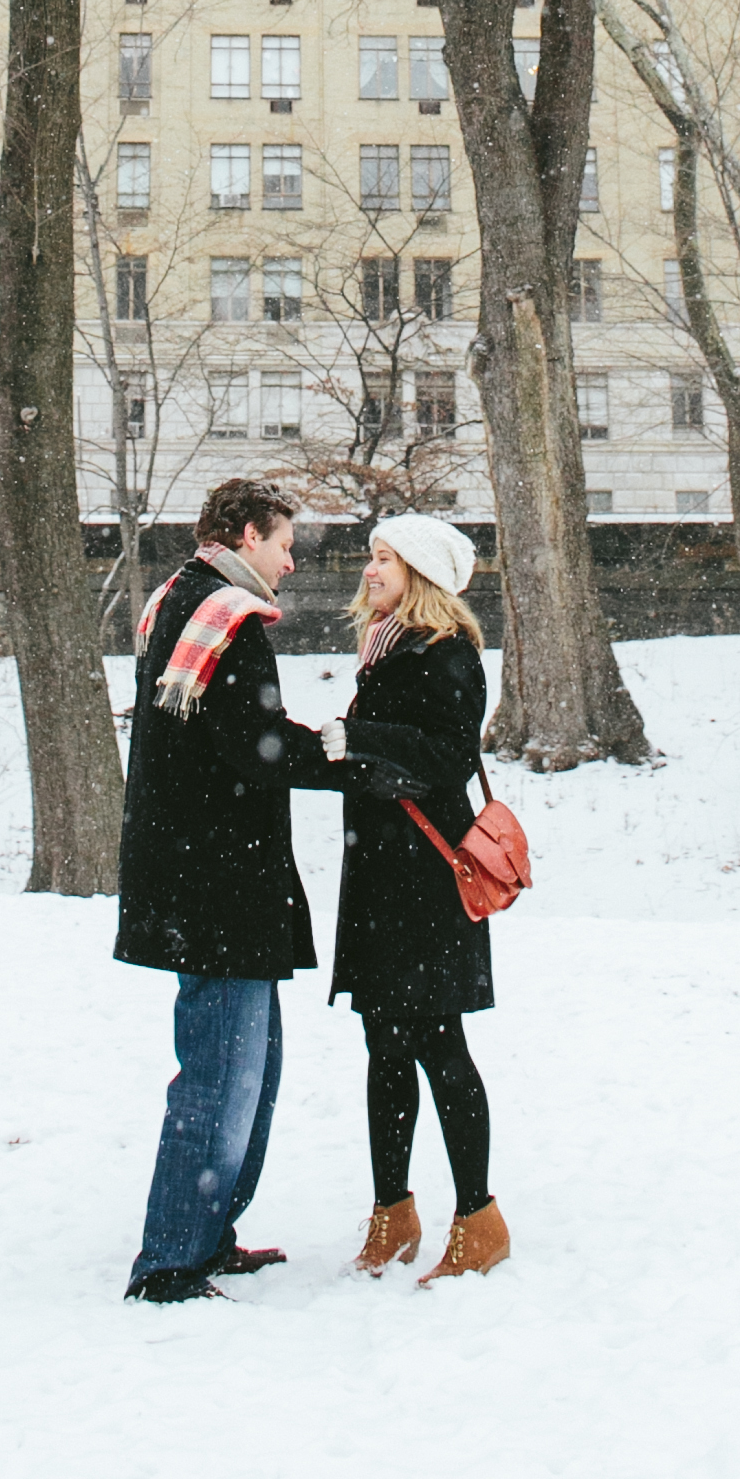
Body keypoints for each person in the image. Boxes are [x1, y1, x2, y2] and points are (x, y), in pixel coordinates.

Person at [114, 478, 370, 1303]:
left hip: (200, 876)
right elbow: (251, 743)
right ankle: (170, 1263)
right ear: (248, 534)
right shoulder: (224, 615)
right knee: (223, 1079)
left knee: (242, 1071)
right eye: (284, 543)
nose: (292, 562)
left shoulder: (179, 600)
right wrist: (347, 758)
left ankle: (206, 1233)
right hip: (218, 885)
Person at [327, 513, 510, 1284]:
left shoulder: (446, 653)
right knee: (383, 1046)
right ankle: (391, 1212)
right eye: (371, 556)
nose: (368, 570)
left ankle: (478, 1220)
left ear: (421, 575)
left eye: (384, 559)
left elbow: (448, 757)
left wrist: (362, 741)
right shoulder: (386, 649)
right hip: (380, 875)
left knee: (438, 1045)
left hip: (426, 881)